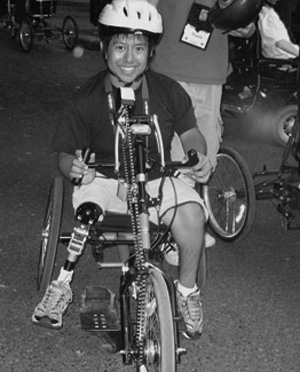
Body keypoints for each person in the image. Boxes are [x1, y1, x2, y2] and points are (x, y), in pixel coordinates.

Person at [31, 0, 213, 340]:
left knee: (192, 214)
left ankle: (188, 292)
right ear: (104, 48)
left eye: (139, 48)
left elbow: (191, 134)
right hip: (103, 178)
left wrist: (196, 155)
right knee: (87, 212)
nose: (129, 58)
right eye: (120, 46)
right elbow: (64, 156)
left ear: (151, 53)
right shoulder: (84, 100)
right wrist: (75, 168)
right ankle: (61, 284)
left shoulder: (170, 92)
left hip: (156, 178)